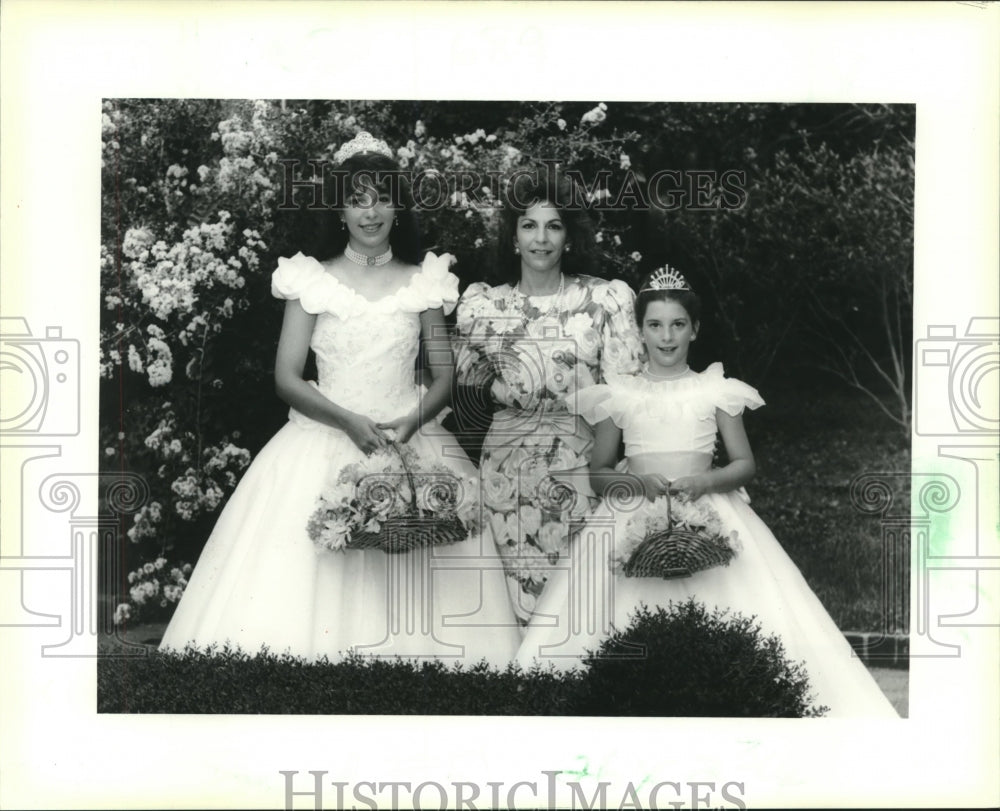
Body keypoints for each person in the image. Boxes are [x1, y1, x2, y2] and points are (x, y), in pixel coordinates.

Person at [159, 132, 521, 667]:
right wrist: (349, 422)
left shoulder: (425, 280)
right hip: (321, 441)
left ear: (398, 206)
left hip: (411, 439)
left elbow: (443, 376)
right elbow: (287, 377)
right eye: (357, 199)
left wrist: (410, 423)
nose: (369, 212)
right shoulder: (311, 278)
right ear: (340, 209)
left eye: (381, 197)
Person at [516, 266, 898, 717]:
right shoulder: (619, 394)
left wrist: (706, 481)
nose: (666, 337)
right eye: (655, 325)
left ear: (695, 329)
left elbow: (744, 463)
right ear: (639, 331)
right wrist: (635, 481)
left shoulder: (716, 390)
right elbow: (597, 472)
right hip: (633, 515)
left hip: (708, 508)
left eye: (678, 325)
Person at [453, 168, 643, 628]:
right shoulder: (483, 306)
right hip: (505, 473)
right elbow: (457, 387)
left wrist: (604, 469)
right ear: (513, 238)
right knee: (512, 601)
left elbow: (624, 398)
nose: (541, 239)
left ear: (569, 237)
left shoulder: (604, 301)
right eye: (529, 225)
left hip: (581, 466)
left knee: (578, 604)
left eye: (554, 226)